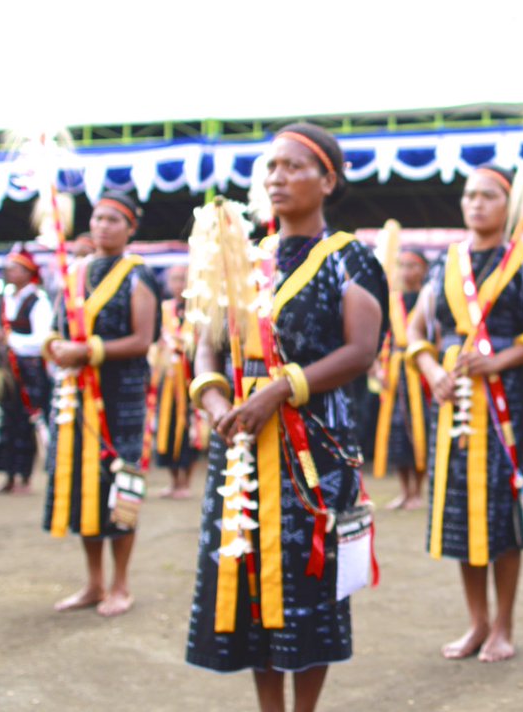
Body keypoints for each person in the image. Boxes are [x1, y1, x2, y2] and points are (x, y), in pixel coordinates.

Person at [185, 122, 387, 712]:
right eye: (269, 167)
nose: (276, 177)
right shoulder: (243, 260)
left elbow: (360, 349)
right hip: (242, 449)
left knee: (309, 587)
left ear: (328, 179)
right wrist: (217, 399)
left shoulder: (348, 257)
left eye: (293, 166)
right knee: (249, 580)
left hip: (311, 449)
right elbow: (207, 344)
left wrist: (280, 389)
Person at [408, 163, 523, 663]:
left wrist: (502, 357)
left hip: (508, 402)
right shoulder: (446, 263)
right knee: (460, 514)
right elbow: (416, 330)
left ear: (508, 205)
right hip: (454, 400)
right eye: (469, 195)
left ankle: (504, 625)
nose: (475, 203)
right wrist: (433, 370)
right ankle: (476, 622)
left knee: (503, 512)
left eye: (487, 196)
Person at [42, 192, 161, 617]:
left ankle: (121, 583)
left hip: (120, 398)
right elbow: (58, 330)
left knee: (119, 488)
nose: (103, 226)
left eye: (114, 220)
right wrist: (55, 347)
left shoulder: (139, 275)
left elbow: (142, 340)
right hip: (75, 398)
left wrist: (87, 352)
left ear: (130, 229)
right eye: (98, 218)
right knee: (83, 488)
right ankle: (92, 583)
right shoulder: (74, 274)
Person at [0, 246, 54, 495]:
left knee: (26, 422)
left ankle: (24, 477)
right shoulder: (1, 301)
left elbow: (42, 340)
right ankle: (8, 475)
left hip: (28, 373)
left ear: (28, 272)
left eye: (16, 268)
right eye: (9, 268)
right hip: (4, 372)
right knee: (3, 422)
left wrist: (11, 340)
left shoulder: (38, 300)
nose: (10, 272)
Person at [376, 246, 430, 511]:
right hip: (396, 374)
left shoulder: (428, 297)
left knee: (418, 431)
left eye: (413, 265)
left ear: (423, 269)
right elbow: (382, 336)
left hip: (421, 372)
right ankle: (404, 490)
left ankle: (417, 492)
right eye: (403, 265)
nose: (407, 271)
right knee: (396, 433)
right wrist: (378, 369)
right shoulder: (392, 301)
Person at [153, 264, 199, 499]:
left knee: (188, 429)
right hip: (168, 380)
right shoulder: (163, 310)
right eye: (174, 279)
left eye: (183, 279)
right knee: (167, 428)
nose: (178, 284)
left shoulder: (197, 310)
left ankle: (186, 482)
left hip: (189, 379)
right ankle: (173, 481)